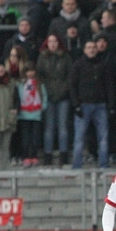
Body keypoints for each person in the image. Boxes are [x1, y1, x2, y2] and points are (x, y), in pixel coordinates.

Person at [69, 39, 113, 168]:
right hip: (83, 105)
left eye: (94, 47)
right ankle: (77, 166)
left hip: (101, 105)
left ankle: (104, 165)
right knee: (79, 138)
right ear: (84, 50)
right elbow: (72, 86)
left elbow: (109, 86)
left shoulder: (103, 65)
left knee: (103, 137)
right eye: (89, 47)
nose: (91, 50)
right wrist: (76, 105)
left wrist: (111, 105)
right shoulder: (78, 65)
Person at [36, 34, 72, 166]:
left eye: (55, 41)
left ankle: (64, 154)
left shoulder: (65, 57)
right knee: (49, 127)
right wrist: (45, 92)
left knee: (63, 127)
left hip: (63, 96)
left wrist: (64, 90)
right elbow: (39, 76)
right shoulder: (42, 57)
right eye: (50, 41)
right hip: (48, 96)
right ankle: (48, 154)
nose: (52, 44)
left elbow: (70, 75)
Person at [16, 62, 46, 167]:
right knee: (25, 138)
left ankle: (34, 156)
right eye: (28, 71)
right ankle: (25, 157)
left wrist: (42, 108)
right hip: (24, 115)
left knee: (35, 137)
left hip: (36, 115)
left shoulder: (39, 84)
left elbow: (44, 96)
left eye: (32, 71)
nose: (30, 73)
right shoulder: (20, 84)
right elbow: (18, 98)